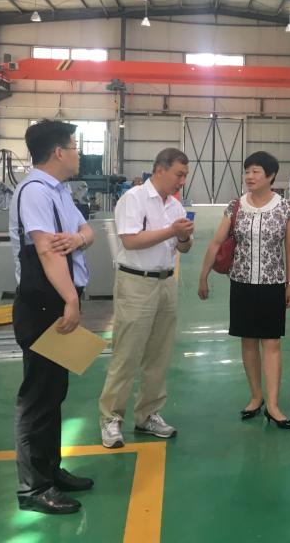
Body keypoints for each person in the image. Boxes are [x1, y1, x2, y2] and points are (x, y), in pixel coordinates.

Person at [9, 120, 96, 515]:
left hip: (57, 300)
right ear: (59, 152)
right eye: (74, 146)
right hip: (43, 303)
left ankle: (50, 470)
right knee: (37, 397)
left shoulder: (58, 191)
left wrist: (78, 238)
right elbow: (46, 250)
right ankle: (33, 488)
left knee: (54, 393)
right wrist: (70, 300)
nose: (78, 153)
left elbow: (87, 232)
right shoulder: (34, 192)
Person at [99, 149, 194, 449]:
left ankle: (148, 414)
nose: (182, 181)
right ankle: (111, 418)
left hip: (166, 283)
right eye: (179, 174)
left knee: (159, 354)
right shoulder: (134, 199)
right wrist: (171, 231)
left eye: (185, 175)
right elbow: (130, 240)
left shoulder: (175, 206)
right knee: (127, 353)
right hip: (136, 283)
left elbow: (184, 248)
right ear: (160, 169)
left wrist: (183, 236)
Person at [198, 152, 290, 428]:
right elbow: (216, 242)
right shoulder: (235, 207)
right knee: (248, 341)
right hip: (241, 283)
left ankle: (274, 405)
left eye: (256, 172)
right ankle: (256, 397)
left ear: (271, 176)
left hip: (272, 283)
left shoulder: (286, 208)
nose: (249, 177)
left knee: (272, 343)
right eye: (247, 171)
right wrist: (203, 276)